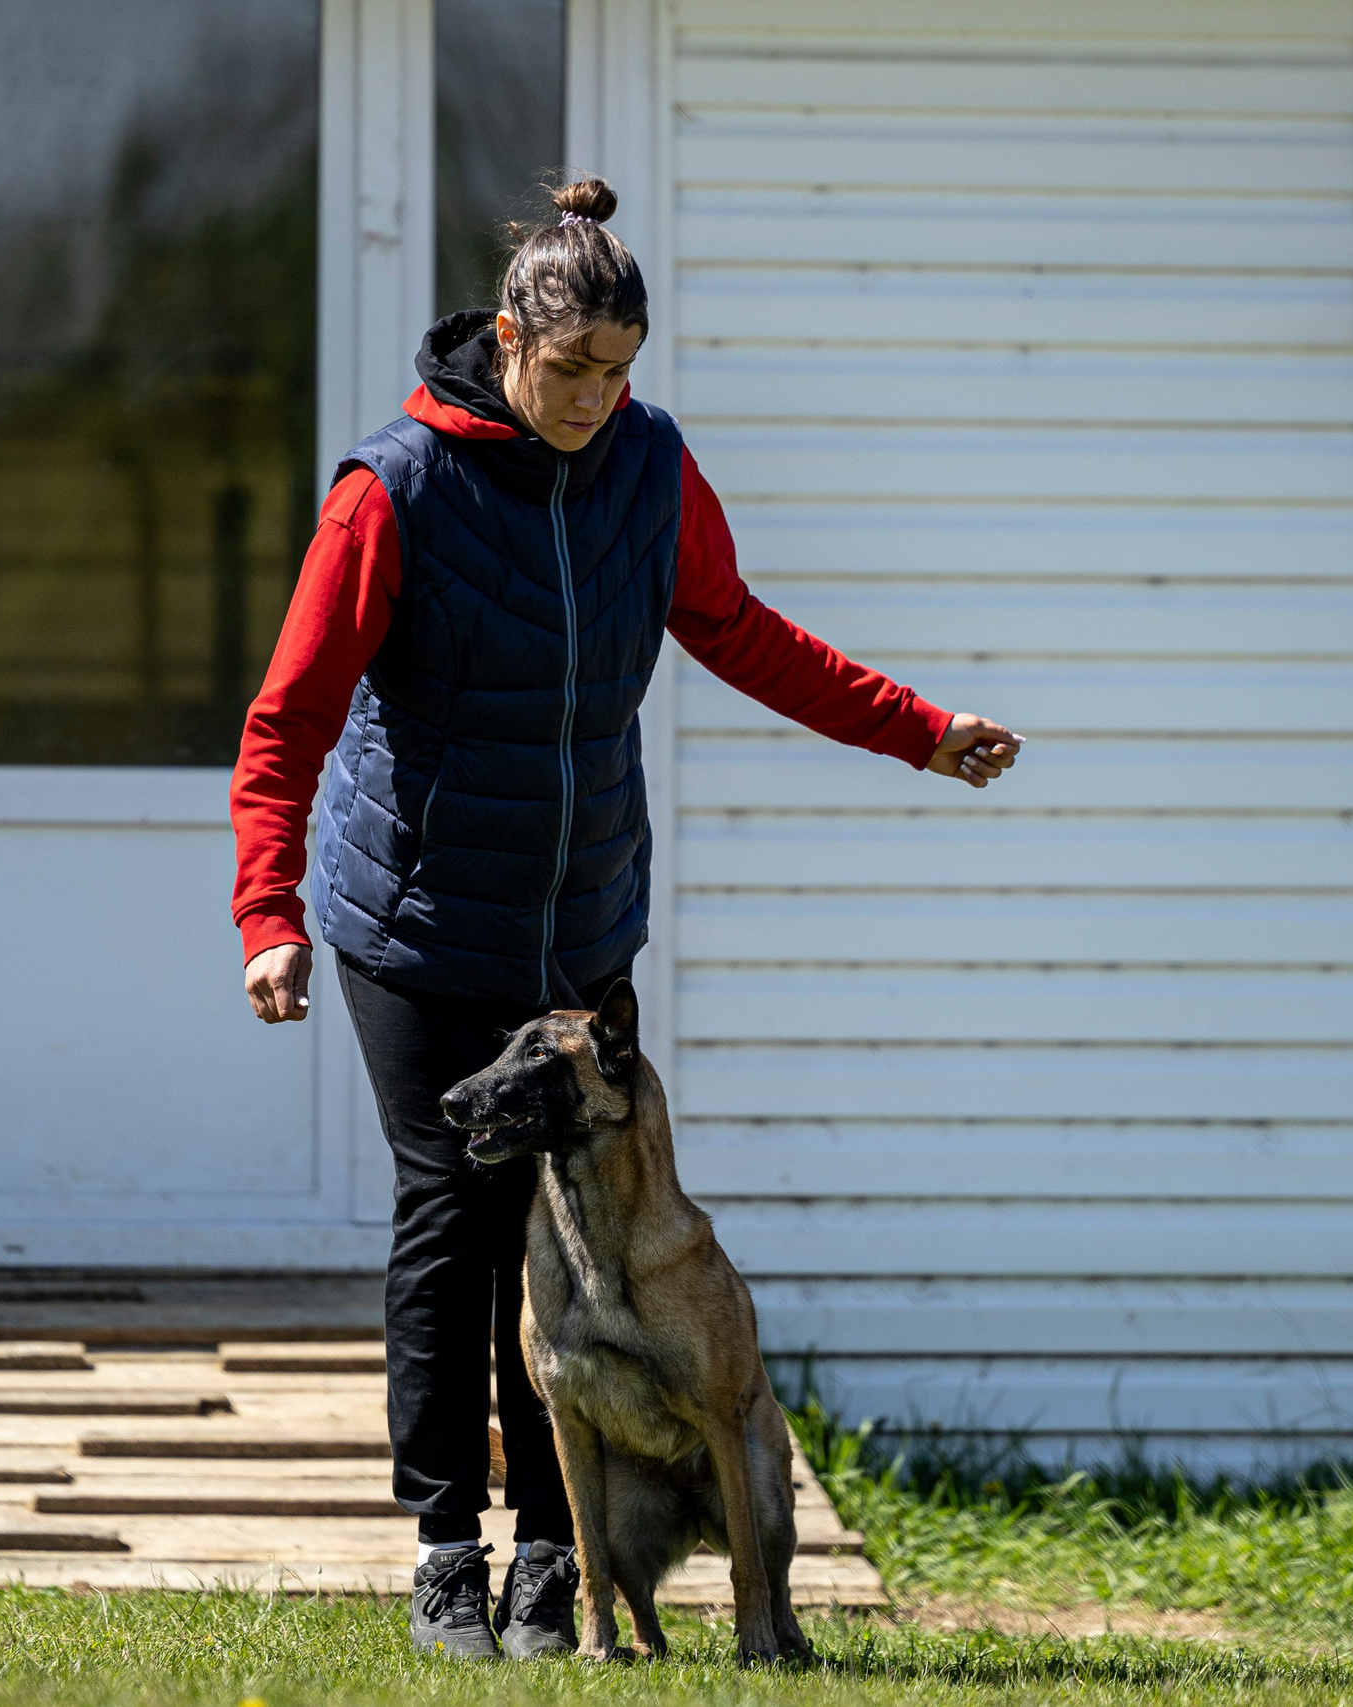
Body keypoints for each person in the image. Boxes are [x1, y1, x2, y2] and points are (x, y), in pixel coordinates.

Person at [229, 176, 1019, 1660]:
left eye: (622, 374)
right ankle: (447, 1553)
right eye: (572, 370)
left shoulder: (646, 465)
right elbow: (289, 719)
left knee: (583, 1231)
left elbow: (734, 628)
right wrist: (265, 907)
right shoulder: (393, 490)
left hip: (582, 916)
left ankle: (555, 1561)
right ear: (510, 342)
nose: (598, 400)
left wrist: (918, 729)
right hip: (415, 919)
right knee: (456, 1219)